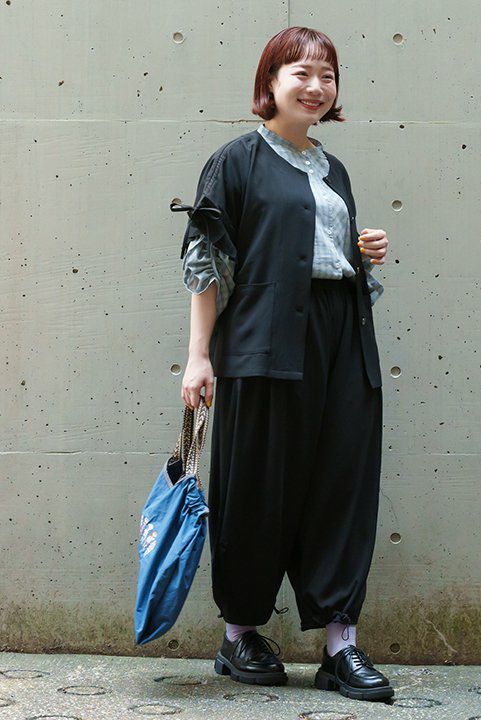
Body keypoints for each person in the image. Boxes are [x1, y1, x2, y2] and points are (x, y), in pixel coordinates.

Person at [175, 26, 392, 703]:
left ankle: (340, 646)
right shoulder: (236, 161)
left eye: (327, 75)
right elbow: (205, 261)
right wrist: (198, 358)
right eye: (301, 72)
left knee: (341, 485)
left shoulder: (334, 169)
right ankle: (239, 635)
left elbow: (327, 259)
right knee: (257, 487)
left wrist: (363, 253)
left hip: (342, 339)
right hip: (264, 342)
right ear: (269, 82)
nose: (316, 86)